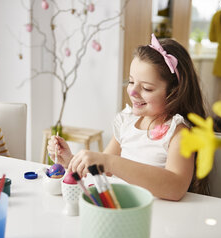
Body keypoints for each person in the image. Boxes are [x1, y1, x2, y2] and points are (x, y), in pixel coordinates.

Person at [47, 34, 209, 201]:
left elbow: (176, 187)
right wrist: (72, 161)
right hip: (122, 209)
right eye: (131, 82)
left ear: (174, 92)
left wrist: (108, 161)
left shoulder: (179, 133)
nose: (132, 92)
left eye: (146, 88)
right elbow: (103, 168)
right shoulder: (127, 122)